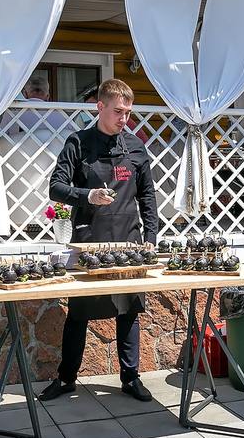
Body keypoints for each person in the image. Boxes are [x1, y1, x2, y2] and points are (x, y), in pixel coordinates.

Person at [42, 79, 159, 401]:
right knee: (79, 312)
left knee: (128, 311)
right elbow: (56, 187)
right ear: (100, 107)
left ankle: (130, 377)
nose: (124, 118)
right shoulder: (78, 142)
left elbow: (147, 195)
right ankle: (66, 378)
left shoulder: (135, 146)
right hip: (90, 239)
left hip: (129, 240)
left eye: (128, 112)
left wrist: (151, 236)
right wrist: (87, 195)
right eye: (118, 111)